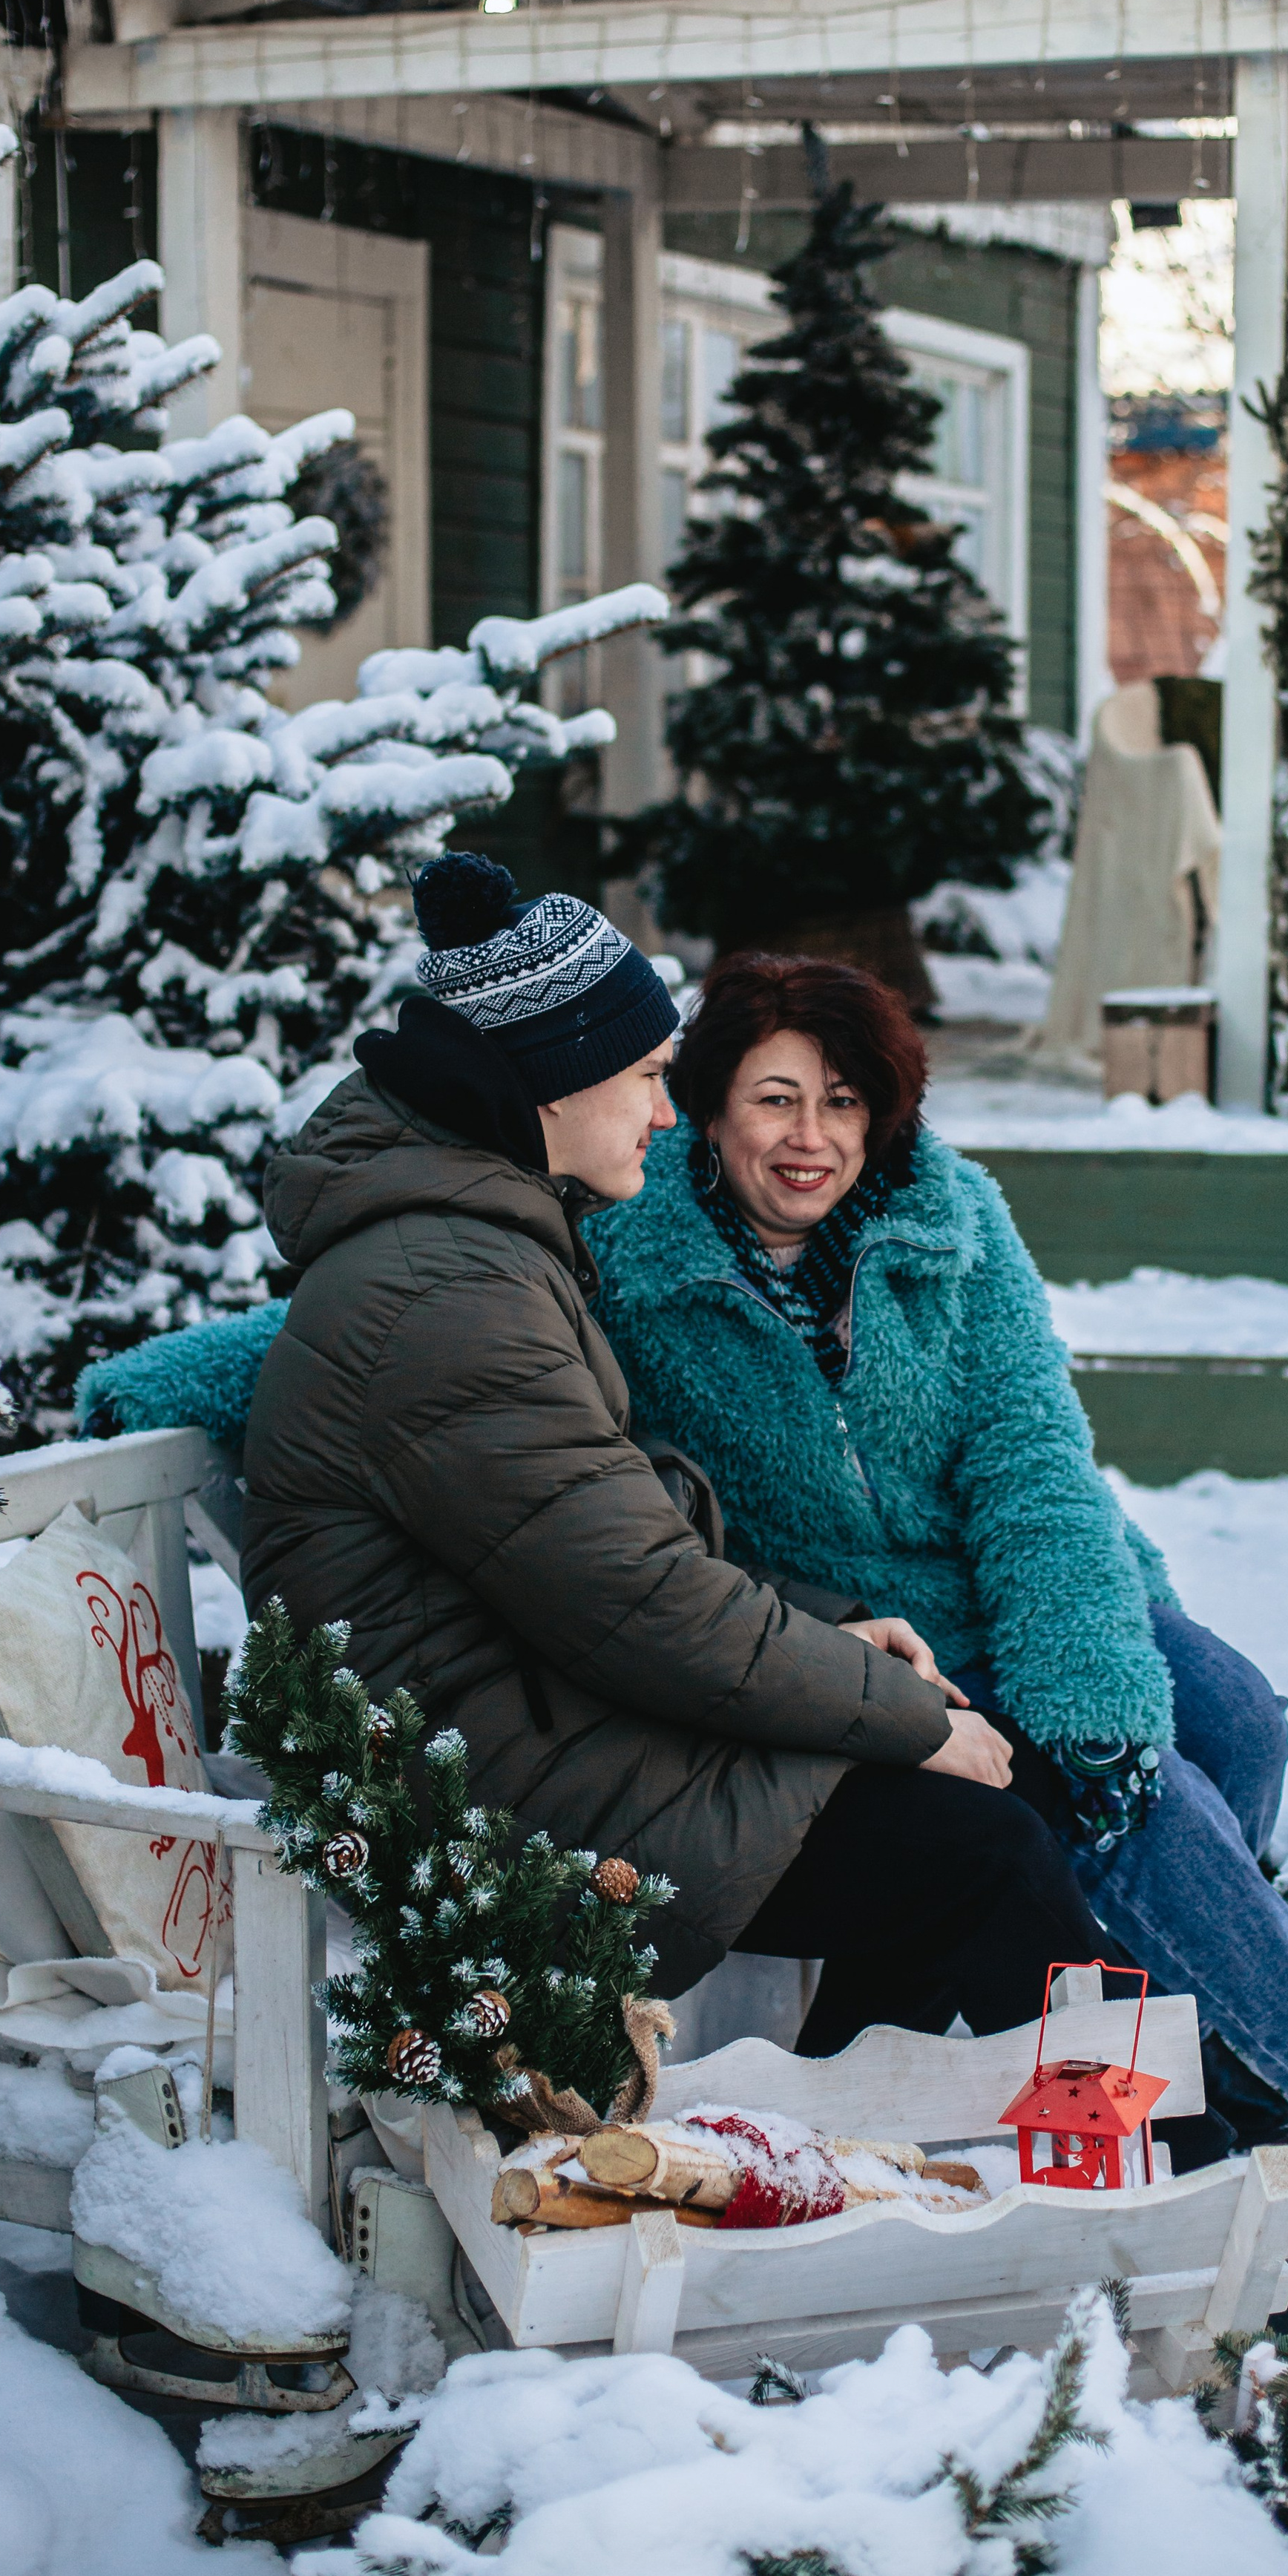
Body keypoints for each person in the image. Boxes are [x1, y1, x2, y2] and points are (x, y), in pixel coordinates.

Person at [588, 948, 1288, 2262]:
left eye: (846, 1103)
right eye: (777, 1101)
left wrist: (1084, 1683)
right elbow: (368, 1335)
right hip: (885, 1631)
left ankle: (1193, 2031)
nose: (814, 1140)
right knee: (1141, 1811)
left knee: (1236, 1725)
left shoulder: (953, 1219)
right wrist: (190, 1375)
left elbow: (1033, 1460)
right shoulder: (628, 1258)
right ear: (707, 1106)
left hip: (1054, 1569)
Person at [239, 851, 1121, 2050]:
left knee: (980, 1829)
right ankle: (1171, 2156)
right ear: (555, 1081)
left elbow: (613, 1542)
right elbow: (638, 1603)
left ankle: (849, 2158)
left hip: (546, 1721)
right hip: (481, 1792)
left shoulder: (484, 1249)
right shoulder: (449, 1291)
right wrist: (899, 1712)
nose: (666, 1111)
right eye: (650, 1077)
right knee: (982, 1847)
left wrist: (828, 1628)